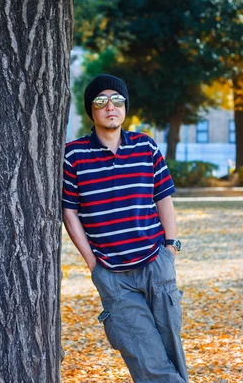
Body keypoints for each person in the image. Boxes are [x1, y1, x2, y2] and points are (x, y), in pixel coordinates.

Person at [62, 74, 188, 383]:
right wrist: (93, 264)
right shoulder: (74, 155)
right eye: (101, 101)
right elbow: (69, 211)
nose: (110, 107)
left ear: (125, 108)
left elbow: (164, 199)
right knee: (146, 358)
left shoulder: (145, 146)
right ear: (91, 111)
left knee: (172, 351)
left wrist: (170, 248)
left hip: (156, 266)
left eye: (117, 101)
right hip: (114, 276)